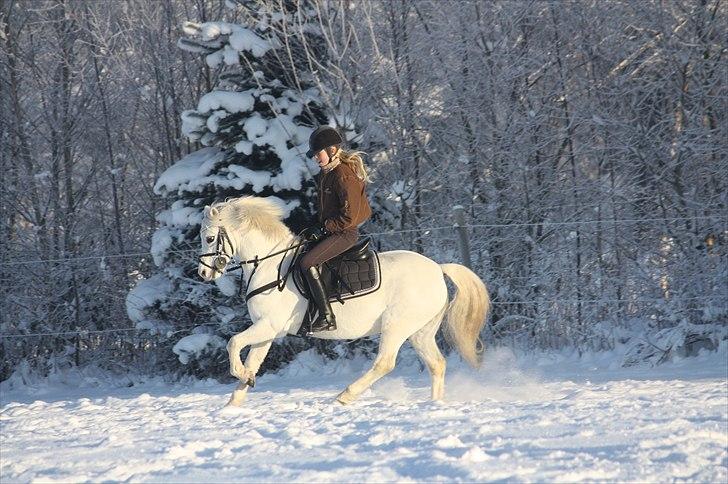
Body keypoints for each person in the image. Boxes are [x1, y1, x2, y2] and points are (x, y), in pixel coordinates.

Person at [299, 126, 372, 332]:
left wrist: (322, 229)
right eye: (313, 155)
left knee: (307, 262)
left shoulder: (343, 176)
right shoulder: (326, 175)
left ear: (331, 151)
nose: (315, 158)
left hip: (344, 233)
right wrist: (311, 226)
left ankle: (327, 316)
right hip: (332, 230)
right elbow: (326, 211)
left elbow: (349, 217)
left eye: (317, 153)